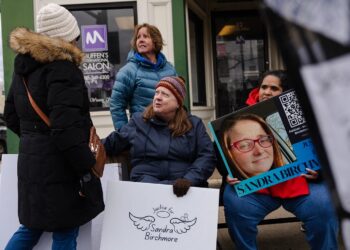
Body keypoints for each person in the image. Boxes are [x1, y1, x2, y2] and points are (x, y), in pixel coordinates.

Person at [4, 3, 104, 249]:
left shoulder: (22, 67)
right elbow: (65, 128)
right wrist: (86, 165)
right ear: (68, 36)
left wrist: (34, 138)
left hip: (30, 162)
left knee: (31, 227)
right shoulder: (64, 69)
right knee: (65, 230)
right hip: (61, 165)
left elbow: (10, 115)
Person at [219, 70, 339, 249]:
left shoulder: (306, 112)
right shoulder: (239, 116)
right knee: (235, 201)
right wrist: (229, 172)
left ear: (287, 92)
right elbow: (220, 151)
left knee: (323, 206)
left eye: (274, 88)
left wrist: (320, 171)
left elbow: (329, 147)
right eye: (263, 87)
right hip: (258, 188)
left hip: (302, 184)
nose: (266, 92)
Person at [104, 76, 216, 196]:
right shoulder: (138, 122)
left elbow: (207, 156)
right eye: (157, 93)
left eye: (165, 95)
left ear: (178, 103)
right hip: (146, 188)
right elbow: (111, 143)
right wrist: (88, 148)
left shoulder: (194, 124)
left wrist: (189, 179)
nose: (158, 97)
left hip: (185, 188)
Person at [110, 23, 177, 129]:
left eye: (145, 36)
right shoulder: (128, 71)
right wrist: (124, 134)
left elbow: (178, 99)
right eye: (138, 37)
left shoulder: (169, 69)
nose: (140, 40)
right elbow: (116, 105)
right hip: (143, 134)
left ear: (155, 41)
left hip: (169, 131)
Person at [221, 113, 284, 179]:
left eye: (263, 140)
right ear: (228, 153)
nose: (259, 151)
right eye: (244, 145)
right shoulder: (231, 188)